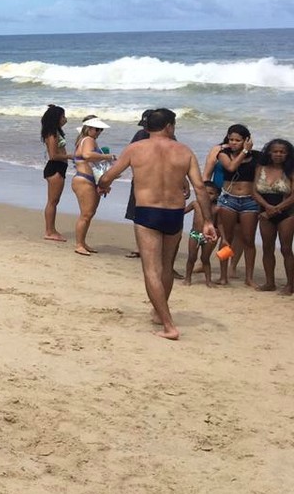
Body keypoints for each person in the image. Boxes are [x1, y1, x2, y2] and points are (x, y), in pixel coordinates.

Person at [98, 109, 216, 340]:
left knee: (151, 269)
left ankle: (168, 325)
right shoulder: (184, 151)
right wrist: (208, 221)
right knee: (166, 265)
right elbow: (200, 188)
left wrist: (103, 185)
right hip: (174, 213)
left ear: (146, 127)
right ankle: (158, 311)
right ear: (169, 126)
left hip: (147, 212)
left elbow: (108, 176)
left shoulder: (135, 149)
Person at [215, 124, 258, 286]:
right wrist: (245, 151)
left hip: (249, 200)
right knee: (227, 238)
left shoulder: (257, 156)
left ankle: (249, 277)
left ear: (246, 140)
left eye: (238, 140)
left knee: (248, 239)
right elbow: (231, 167)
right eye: (231, 139)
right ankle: (223, 275)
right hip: (229, 198)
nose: (233, 143)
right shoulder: (223, 154)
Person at [70, 116, 115, 256]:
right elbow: (87, 155)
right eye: (97, 129)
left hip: (87, 179)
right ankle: (79, 244)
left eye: (100, 129)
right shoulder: (88, 140)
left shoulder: (83, 140)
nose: (99, 132)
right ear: (89, 128)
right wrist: (108, 157)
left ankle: (82, 243)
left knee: (89, 214)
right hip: (84, 180)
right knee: (86, 214)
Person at [253, 138, 293, 294]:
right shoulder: (260, 168)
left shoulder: (290, 170)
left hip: (287, 213)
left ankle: (290, 285)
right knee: (267, 248)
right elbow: (254, 191)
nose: (278, 154)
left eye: (282, 152)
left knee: (286, 248)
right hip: (265, 212)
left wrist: (276, 208)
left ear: (287, 154)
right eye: (275, 151)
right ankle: (270, 282)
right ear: (269, 152)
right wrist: (268, 208)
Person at [122, 110, 154, 258]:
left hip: (157, 182)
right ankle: (139, 246)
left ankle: (152, 247)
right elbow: (129, 154)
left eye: (148, 125)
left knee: (154, 214)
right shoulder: (140, 135)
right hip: (140, 180)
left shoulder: (169, 138)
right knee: (137, 213)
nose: (145, 128)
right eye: (144, 125)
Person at [40, 105, 69, 242]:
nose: (65, 119)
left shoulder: (57, 131)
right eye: (63, 116)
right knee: (52, 201)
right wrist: (70, 156)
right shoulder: (52, 134)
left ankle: (52, 229)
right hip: (55, 168)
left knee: (54, 201)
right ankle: (49, 231)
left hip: (59, 168)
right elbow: (53, 155)